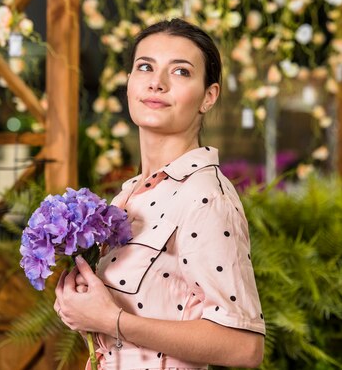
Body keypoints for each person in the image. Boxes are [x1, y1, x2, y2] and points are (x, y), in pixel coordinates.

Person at [54, 19, 266, 370]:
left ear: (208, 97)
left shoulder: (204, 197)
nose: (157, 82)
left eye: (181, 72)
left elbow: (244, 347)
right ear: (129, 84)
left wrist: (112, 320)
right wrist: (80, 308)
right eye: (145, 66)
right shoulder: (129, 195)